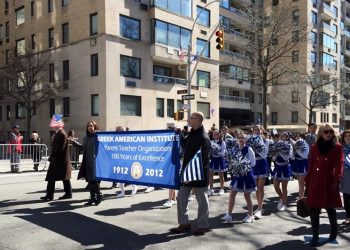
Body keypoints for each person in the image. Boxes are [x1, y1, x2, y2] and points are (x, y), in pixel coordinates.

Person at [170, 112, 211, 235]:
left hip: (199, 175)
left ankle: (203, 225)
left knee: (202, 200)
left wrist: (192, 176)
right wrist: (180, 135)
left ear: (198, 120)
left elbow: (204, 159)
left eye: (191, 118)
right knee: (181, 197)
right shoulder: (192, 133)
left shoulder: (204, 137)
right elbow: (185, 145)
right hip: (187, 173)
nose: (188, 119)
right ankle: (184, 223)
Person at [305, 124, 343, 246]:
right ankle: (315, 236)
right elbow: (310, 164)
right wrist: (307, 181)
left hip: (330, 181)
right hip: (316, 181)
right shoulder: (315, 147)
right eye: (326, 132)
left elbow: (339, 165)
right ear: (321, 133)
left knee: (330, 208)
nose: (329, 134)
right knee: (314, 209)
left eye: (331, 132)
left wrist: (336, 180)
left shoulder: (337, 147)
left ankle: (333, 232)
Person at [221, 132, 256, 223]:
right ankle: (229, 215)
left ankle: (251, 215)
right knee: (232, 194)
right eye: (239, 138)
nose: (241, 139)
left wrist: (242, 165)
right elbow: (231, 161)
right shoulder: (234, 149)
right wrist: (233, 165)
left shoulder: (249, 149)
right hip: (237, 175)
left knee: (246, 195)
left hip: (246, 175)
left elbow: (253, 163)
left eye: (243, 138)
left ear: (246, 139)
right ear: (236, 139)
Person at [40, 127, 72, 201]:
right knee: (58, 177)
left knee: (58, 177)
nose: (52, 126)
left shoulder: (62, 134)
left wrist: (52, 156)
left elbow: (60, 148)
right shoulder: (59, 133)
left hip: (59, 160)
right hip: (58, 160)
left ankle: (52, 195)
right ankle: (52, 194)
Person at [78, 121, 103, 206]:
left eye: (91, 126)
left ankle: (99, 195)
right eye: (88, 126)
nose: (90, 127)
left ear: (95, 127)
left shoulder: (98, 136)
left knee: (94, 180)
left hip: (95, 161)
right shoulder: (86, 137)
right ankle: (92, 198)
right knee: (90, 180)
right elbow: (82, 147)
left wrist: (99, 133)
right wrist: (73, 143)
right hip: (87, 161)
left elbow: (104, 143)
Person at [246, 125, 269, 219]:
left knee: (260, 187)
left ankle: (260, 208)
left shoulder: (265, 140)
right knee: (256, 188)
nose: (256, 131)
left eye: (258, 129)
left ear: (261, 130)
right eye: (255, 129)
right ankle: (259, 206)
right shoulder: (250, 140)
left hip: (262, 163)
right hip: (254, 164)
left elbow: (265, 154)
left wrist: (256, 148)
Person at [271, 132, 293, 211]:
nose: (283, 136)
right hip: (277, 166)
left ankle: (284, 203)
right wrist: (275, 152)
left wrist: (282, 151)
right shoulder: (276, 144)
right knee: (276, 185)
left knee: (284, 187)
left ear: (287, 137)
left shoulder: (289, 145)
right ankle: (281, 197)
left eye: (285, 136)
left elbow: (290, 156)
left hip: (285, 167)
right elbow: (273, 158)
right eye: (282, 135)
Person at [208, 129, 227, 196]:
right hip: (213, 159)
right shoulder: (211, 142)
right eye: (213, 134)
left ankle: (221, 189)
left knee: (221, 175)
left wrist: (216, 151)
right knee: (210, 175)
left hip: (220, 160)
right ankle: (211, 189)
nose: (214, 135)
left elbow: (223, 153)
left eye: (216, 134)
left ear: (219, 135)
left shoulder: (222, 142)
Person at [291, 132, 309, 200]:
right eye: (295, 136)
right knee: (300, 182)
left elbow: (305, 155)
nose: (297, 137)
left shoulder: (304, 144)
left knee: (301, 182)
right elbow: (292, 156)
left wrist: (297, 148)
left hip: (303, 163)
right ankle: (301, 197)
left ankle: (300, 197)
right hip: (297, 163)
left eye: (298, 136)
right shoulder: (295, 145)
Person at [340, 130, 350, 225]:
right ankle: (348, 217)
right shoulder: (341, 148)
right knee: (346, 197)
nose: (347, 137)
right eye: (345, 136)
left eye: (349, 135)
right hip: (345, 174)